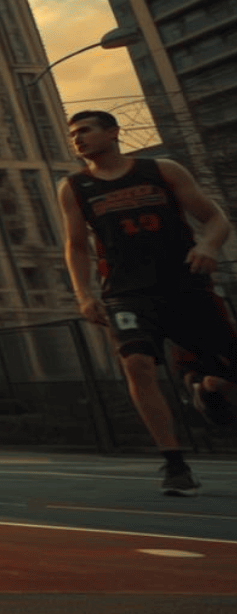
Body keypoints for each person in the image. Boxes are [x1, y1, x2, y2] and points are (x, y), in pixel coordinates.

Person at [60, 110, 235, 496]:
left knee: (225, 374)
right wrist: (83, 294)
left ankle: (205, 388)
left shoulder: (162, 170)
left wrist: (208, 245)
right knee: (137, 365)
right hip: (125, 293)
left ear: (112, 133)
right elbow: (75, 246)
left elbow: (215, 217)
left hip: (185, 284)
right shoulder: (74, 187)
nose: (78, 139)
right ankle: (174, 463)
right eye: (73, 135)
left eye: (85, 131)